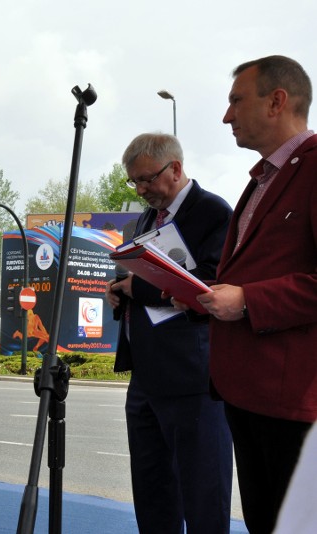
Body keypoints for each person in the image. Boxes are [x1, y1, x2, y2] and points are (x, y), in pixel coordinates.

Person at [182, 55, 316, 534]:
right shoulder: (263, 178)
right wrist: (205, 294)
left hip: (291, 400)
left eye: (237, 100)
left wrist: (248, 301)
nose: (226, 115)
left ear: (277, 101)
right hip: (249, 394)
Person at [106, 133, 233, 533]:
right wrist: (119, 291)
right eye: (135, 182)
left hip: (193, 376)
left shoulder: (212, 212)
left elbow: (210, 285)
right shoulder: (145, 218)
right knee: (152, 493)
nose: (142, 190)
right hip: (146, 376)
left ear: (175, 168)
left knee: (202, 499)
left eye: (147, 179)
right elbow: (138, 272)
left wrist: (135, 289)